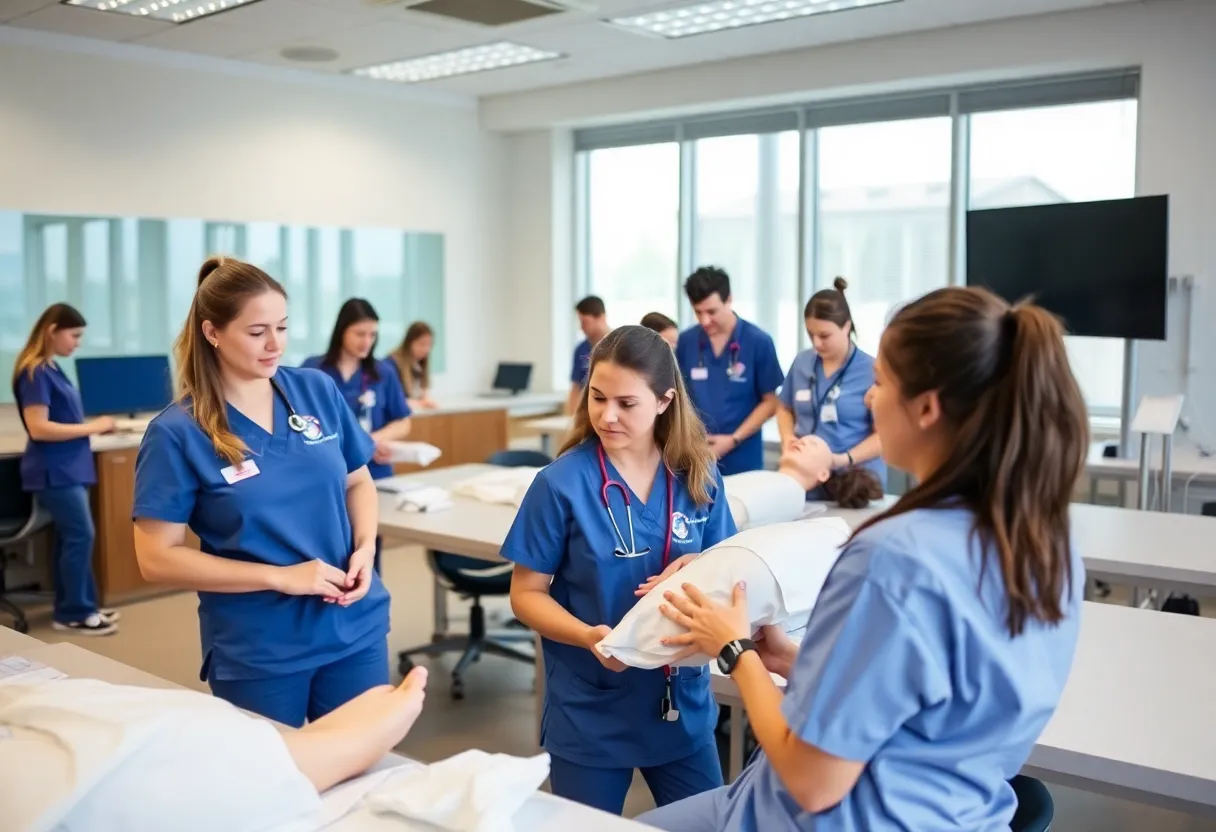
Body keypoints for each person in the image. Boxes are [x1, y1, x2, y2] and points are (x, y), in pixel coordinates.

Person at [637, 286, 1089, 832]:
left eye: (880, 385)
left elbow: (812, 780)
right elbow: (926, 701)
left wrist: (734, 649)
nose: (870, 401)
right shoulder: (1048, 543)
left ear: (926, 407)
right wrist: (791, 660)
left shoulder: (892, 558)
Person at [132, 256, 391, 728]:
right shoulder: (177, 432)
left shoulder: (316, 390)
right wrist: (282, 577)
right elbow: (156, 558)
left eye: (283, 327)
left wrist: (366, 548)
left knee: (365, 776)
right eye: (257, 332)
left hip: (353, 624)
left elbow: (358, 480)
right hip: (262, 645)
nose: (275, 345)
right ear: (213, 332)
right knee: (274, 785)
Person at [501, 324, 736, 816]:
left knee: (714, 825)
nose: (607, 416)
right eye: (597, 397)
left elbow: (731, 572)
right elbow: (526, 594)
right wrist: (589, 636)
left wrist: (700, 565)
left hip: (680, 706)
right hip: (592, 710)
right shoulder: (560, 484)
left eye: (626, 404)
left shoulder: (698, 475)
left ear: (664, 401)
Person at [10, 304, 119, 635]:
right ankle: (75, 612)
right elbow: (39, 428)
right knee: (80, 535)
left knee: (70, 538)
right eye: (74, 335)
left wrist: (91, 427)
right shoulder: (35, 372)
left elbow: (62, 419)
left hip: (69, 468)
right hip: (54, 471)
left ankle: (78, 606)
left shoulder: (52, 369)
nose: (77, 343)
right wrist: (94, 428)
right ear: (51, 330)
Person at [778, 278, 885, 495]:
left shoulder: (872, 370)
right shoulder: (802, 363)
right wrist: (788, 439)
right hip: (808, 479)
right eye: (811, 335)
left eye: (824, 336)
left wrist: (843, 459)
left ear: (846, 326)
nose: (817, 343)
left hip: (856, 481)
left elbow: (884, 435)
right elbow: (783, 408)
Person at [675, 267, 783, 476]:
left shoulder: (758, 341)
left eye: (712, 312)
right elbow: (680, 396)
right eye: (698, 312)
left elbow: (771, 402)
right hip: (697, 457)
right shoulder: (687, 342)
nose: (705, 320)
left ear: (729, 300)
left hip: (743, 459)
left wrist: (734, 439)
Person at [303, 299, 412, 482]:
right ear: (342, 331)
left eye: (373, 335)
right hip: (328, 475)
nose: (367, 342)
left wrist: (371, 440)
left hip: (375, 474)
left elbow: (403, 422)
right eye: (360, 334)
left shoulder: (383, 372)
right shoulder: (313, 371)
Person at [568, 296, 611, 413]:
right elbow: (576, 387)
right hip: (586, 412)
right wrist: (572, 417)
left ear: (600, 317)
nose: (581, 327)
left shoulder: (621, 345)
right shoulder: (580, 349)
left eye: (584, 322)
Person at [389, 321, 437, 411]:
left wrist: (426, 400)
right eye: (422, 344)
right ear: (409, 342)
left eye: (429, 345)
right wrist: (421, 403)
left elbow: (423, 393)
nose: (426, 349)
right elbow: (395, 401)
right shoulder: (392, 364)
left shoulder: (419, 364)